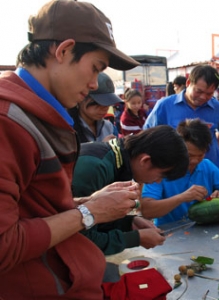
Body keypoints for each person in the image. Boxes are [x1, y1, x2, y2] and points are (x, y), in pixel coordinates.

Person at [0, 1, 142, 298]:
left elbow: (34, 209)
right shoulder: (7, 122)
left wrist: (90, 202)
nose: (93, 84)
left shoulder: (38, 115)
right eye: (95, 69)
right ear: (63, 50)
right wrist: (88, 213)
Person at [72, 125, 189, 254]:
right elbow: (80, 240)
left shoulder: (119, 163)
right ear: (145, 160)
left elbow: (97, 218)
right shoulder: (94, 168)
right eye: (161, 175)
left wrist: (129, 222)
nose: (158, 181)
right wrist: (136, 238)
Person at [141, 118, 219, 226]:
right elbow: (147, 210)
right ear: (177, 148)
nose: (195, 160)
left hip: (204, 230)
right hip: (170, 233)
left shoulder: (206, 165)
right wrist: (182, 197)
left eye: (200, 155)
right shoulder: (162, 169)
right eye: (190, 155)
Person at [144, 65, 219, 172]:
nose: (203, 97)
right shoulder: (165, 105)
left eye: (209, 94)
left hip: (211, 170)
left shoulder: (217, 108)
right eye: (198, 91)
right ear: (188, 83)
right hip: (176, 170)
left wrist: (209, 147)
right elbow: (149, 134)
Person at [69, 72, 122, 143]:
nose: (105, 108)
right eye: (98, 103)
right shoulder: (67, 129)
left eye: (108, 103)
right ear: (81, 99)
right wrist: (101, 148)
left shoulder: (109, 128)